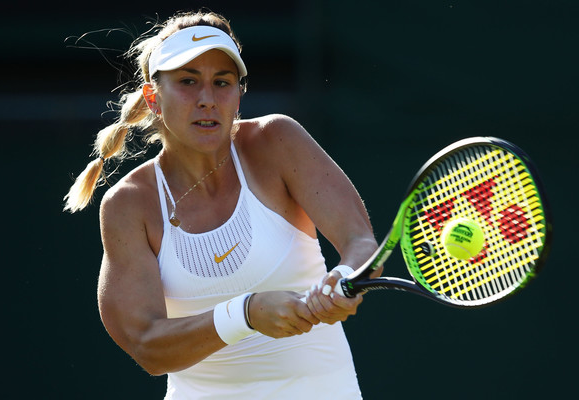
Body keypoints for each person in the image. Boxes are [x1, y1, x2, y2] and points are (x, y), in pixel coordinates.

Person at [65, 10, 379, 399]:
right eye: (187, 82)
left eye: (222, 82)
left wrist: (345, 277)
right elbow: (148, 347)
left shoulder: (277, 141)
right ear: (153, 97)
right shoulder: (129, 204)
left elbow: (362, 242)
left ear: (239, 93)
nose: (207, 100)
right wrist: (245, 314)